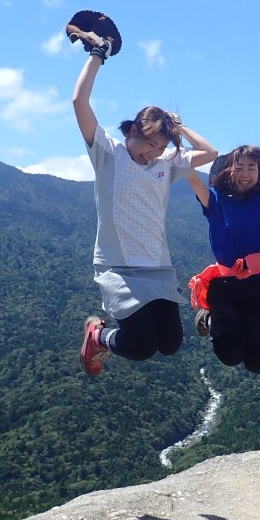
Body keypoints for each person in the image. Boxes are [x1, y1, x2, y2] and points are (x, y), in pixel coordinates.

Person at [71, 29, 217, 376]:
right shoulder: (108, 154)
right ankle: (97, 335)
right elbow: (79, 102)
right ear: (132, 131)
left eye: (160, 146)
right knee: (141, 346)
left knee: (170, 344)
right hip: (118, 267)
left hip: (157, 266)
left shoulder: (166, 165)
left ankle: (106, 335)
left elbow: (210, 152)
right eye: (148, 142)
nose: (151, 152)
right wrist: (98, 55)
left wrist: (179, 127)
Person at [185, 107, 260, 374]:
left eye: (252, 167)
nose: (245, 173)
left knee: (259, 363)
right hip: (224, 286)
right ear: (229, 171)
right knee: (229, 354)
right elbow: (187, 167)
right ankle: (211, 315)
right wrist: (179, 130)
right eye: (239, 167)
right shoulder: (213, 200)